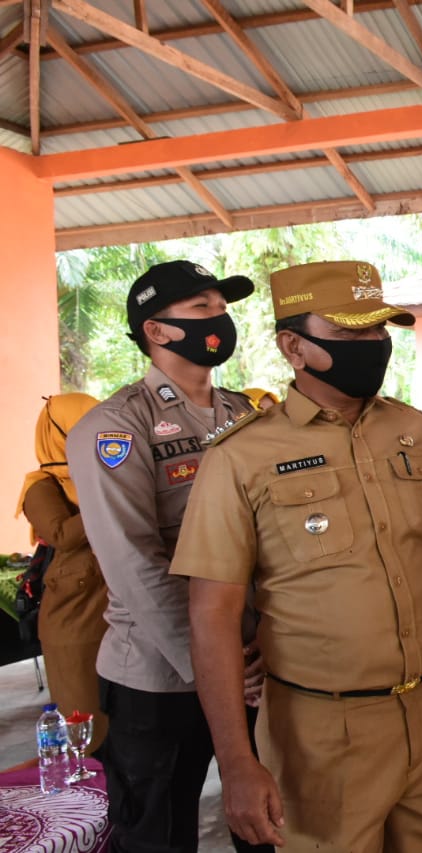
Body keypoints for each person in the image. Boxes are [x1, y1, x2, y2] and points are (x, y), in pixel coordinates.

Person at [174, 260, 422, 851]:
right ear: (293, 345)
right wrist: (236, 761)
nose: (372, 345)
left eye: (378, 330)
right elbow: (211, 614)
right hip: (321, 732)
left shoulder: (417, 432)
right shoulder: (242, 457)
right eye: (349, 334)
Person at [66, 259, 259, 853]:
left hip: (250, 664)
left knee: (267, 821)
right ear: (156, 329)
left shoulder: (245, 416)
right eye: (202, 308)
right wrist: (212, 665)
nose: (219, 320)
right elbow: (133, 563)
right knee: (159, 835)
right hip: (159, 677)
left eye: (222, 308)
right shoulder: (115, 427)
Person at [16, 393, 108, 752]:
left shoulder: (103, 473)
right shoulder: (40, 486)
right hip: (76, 617)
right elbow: (60, 535)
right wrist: (114, 498)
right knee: (87, 724)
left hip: (115, 611)